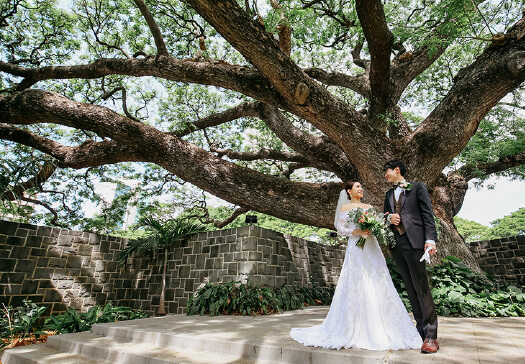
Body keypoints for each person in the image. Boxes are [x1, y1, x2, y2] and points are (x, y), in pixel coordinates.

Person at [289, 181, 422, 351]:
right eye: (357, 187)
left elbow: (380, 224)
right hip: (356, 247)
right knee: (356, 280)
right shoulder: (345, 208)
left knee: (377, 278)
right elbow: (341, 229)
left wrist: (373, 228)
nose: (361, 189)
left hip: (371, 246)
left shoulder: (369, 207)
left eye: (361, 187)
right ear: (349, 191)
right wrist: (357, 232)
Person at [383, 159, 439, 354]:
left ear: (396, 170)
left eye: (387, 171)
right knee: (410, 287)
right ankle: (420, 330)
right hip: (397, 245)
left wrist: (430, 240)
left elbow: (427, 214)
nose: (386, 175)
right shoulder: (388, 194)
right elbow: (385, 215)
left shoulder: (417, 188)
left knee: (421, 287)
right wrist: (390, 218)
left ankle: (431, 335)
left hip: (415, 242)